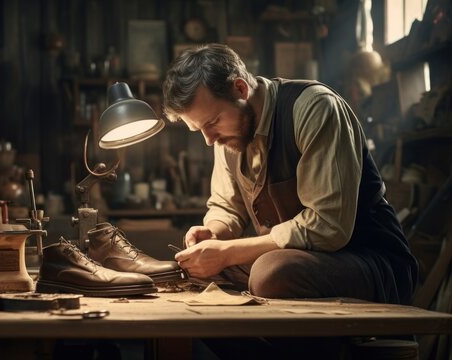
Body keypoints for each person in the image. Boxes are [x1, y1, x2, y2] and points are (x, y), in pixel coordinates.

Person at [162, 43, 418, 305]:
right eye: (200, 129)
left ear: (240, 89)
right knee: (197, 274)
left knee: (270, 273)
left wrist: (227, 253)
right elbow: (227, 206)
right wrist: (214, 234)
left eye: (212, 122)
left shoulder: (315, 108)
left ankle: (329, 348)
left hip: (366, 259)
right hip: (293, 258)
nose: (208, 139)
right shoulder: (226, 134)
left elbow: (329, 226)